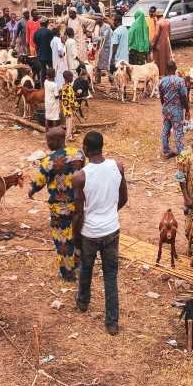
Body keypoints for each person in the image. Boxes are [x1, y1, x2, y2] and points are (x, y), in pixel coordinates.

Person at [73, 131, 127, 335]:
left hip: (90, 232)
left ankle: (83, 302)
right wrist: (110, 213)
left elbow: (78, 213)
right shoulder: (118, 166)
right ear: (102, 146)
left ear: (86, 149)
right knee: (110, 276)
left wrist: (75, 237)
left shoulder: (81, 176)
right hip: (111, 229)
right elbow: (124, 198)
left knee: (86, 269)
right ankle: (112, 323)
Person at [28, 127, 86, 281]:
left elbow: (38, 183)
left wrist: (31, 191)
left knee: (62, 238)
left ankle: (68, 271)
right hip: (79, 204)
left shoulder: (48, 162)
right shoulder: (79, 154)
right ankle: (78, 262)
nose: (47, 143)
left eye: (48, 140)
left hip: (60, 208)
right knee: (78, 233)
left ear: (56, 141)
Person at [158, 59, 188, 158]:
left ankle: (166, 150)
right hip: (176, 110)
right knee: (178, 130)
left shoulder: (162, 81)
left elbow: (162, 97)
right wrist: (187, 109)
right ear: (175, 68)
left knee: (166, 128)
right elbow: (183, 97)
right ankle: (181, 152)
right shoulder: (180, 81)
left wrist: (165, 106)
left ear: (166, 69)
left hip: (166, 108)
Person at [150, 8, 172, 77]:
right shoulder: (168, 22)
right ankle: (166, 72)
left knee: (159, 59)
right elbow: (169, 33)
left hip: (159, 44)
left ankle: (161, 74)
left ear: (157, 15)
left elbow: (156, 34)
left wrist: (152, 43)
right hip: (166, 43)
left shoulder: (159, 23)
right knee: (166, 58)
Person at [93, 14, 113, 84]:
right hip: (100, 48)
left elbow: (103, 37)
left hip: (106, 49)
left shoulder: (107, 26)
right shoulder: (97, 27)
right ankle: (97, 81)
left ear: (101, 19)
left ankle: (112, 80)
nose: (96, 21)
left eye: (97, 19)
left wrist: (94, 38)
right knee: (98, 65)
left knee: (107, 66)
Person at [60, 70, 78, 141]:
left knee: (68, 122)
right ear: (68, 78)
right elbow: (70, 100)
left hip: (66, 107)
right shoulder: (68, 87)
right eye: (72, 77)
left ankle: (70, 135)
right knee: (69, 123)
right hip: (69, 108)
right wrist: (74, 107)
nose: (72, 78)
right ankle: (68, 137)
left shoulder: (64, 86)